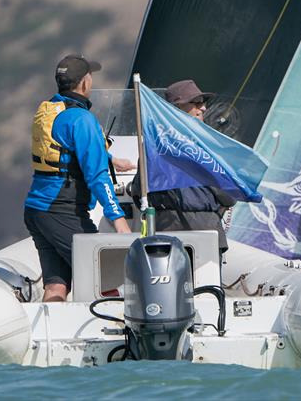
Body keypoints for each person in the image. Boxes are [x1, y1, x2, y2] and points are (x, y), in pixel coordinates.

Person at [24, 54, 133, 302]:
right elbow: (96, 176)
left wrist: (111, 159)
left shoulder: (51, 109)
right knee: (105, 278)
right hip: (63, 210)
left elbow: (64, 152)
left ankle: (51, 334)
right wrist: (118, 219)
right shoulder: (82, 119)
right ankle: (107, 336)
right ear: (85, 82)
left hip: (37, 209)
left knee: (56, 285)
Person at [131, 79, 236, 253]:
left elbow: (138, 191)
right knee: (206, 281)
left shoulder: (154, 146)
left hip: (164, 234)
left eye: (204, 103)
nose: (203, 108)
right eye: (197, 103)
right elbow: (228, 195)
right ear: (177, 108)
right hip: (206, 232)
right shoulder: (208, 145)